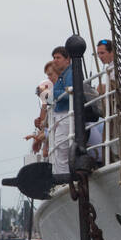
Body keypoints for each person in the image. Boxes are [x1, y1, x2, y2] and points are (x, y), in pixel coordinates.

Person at [51, 45, 74, 173]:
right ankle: (63, 177)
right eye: (54, 58)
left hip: (66, 115)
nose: (55, 60)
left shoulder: (69, 74)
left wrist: (51, 93)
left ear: (67, 59)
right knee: (59, 149)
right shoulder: (63, 76)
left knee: (62, 149)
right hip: (62, 115)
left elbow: (70, 92)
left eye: (58, 57)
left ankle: (64, 179)